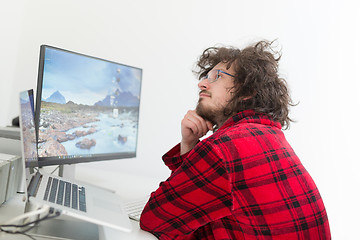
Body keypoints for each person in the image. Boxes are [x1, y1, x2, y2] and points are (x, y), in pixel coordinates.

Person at [140, 40, 331, 239]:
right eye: (206, 76)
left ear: (248, 91)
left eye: (217, 76)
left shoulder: (224, 147)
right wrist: (189, 145)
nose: (202, 83)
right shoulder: (266, 135)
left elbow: (155, 219)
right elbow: (194, 207)